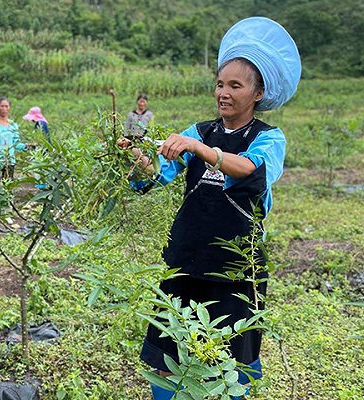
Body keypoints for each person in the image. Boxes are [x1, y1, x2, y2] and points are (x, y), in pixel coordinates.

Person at [119, 18, 301, 400]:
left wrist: (202, 150)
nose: (224, 92)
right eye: (220, 84)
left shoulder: (268, 138)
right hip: (186, 256)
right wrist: (136, 158)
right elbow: (157, 175)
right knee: (168, 351)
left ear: (258, 93)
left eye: (236, 85)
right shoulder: (199, 130)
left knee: (235, 356)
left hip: (237, 266)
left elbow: (250, 171)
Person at [0, 97, 27, 187]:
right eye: (2, 106)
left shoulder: (13, 125)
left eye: (6, 106)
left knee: (7, 188)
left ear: (9, 108)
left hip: (9, 160)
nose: (4, 109)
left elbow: (15, 143)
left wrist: (26, 146)